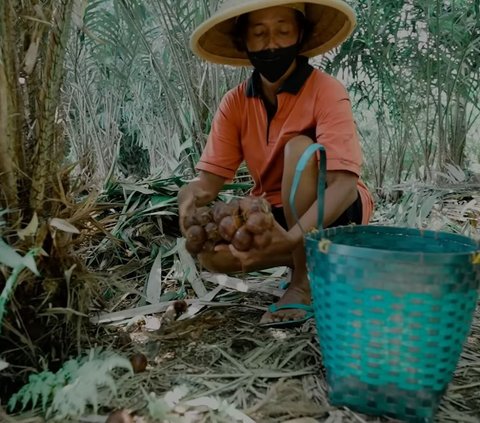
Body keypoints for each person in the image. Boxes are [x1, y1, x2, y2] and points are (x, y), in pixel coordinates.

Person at [178, 0, 374, 327]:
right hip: (276, 213)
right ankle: (326, 259)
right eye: (259, 33)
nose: (271, 43)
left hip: (336, 211)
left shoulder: (326, 90)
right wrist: (187, 202)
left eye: (283, 31)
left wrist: (296, 234)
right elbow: (207, 184)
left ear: (301, 34)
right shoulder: (234, 103)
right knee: (213, 255)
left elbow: (343, 185)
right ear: (244, 41)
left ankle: (303, 285)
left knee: (298, 149)